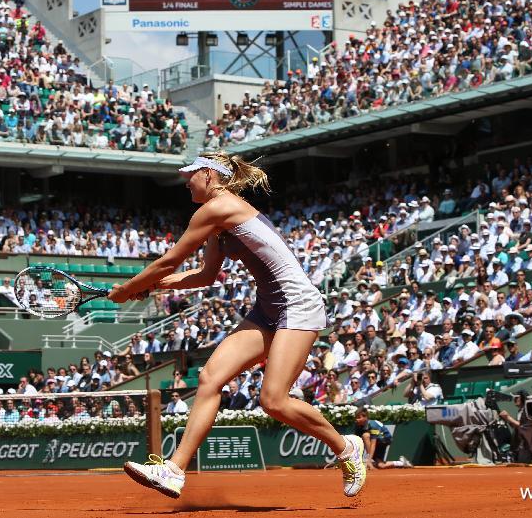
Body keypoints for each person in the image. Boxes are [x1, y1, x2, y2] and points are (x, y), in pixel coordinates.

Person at [113, 153, 366, 498]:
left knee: (274, 400)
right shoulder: (217, 222)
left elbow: (171, 260)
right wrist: (153, 286)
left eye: (190, 175)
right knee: (209, 378)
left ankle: (347, 449)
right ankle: (174, 471)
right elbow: (205, 275)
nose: (186, 181)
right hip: (267, 309)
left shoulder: (218, 208)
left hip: (298, 305)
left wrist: (128, 288)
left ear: (208, 175)